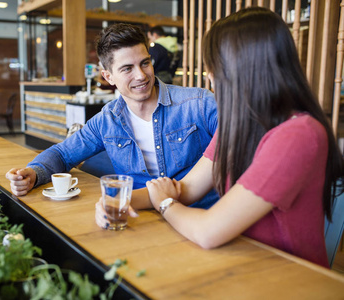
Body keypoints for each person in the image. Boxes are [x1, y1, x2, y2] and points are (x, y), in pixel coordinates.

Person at [95, 8, 344, 268]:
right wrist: (117, 201)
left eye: (214, 67)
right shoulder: (242, 124)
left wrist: (166, 203)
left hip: (285, 277)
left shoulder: (298, 135)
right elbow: (187, 190)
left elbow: (208, 231)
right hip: (238, 261)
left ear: (244, 68)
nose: (210, 77)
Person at [6, 23, 219, 209]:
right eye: (127, 68)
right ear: (108, 77)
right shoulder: (107, 120)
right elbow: (63, 154)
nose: (141, 75)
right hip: (137, 216)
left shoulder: (199, 103)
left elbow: (243, 144)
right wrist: (33, 173)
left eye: (145, 63)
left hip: (200, 214)